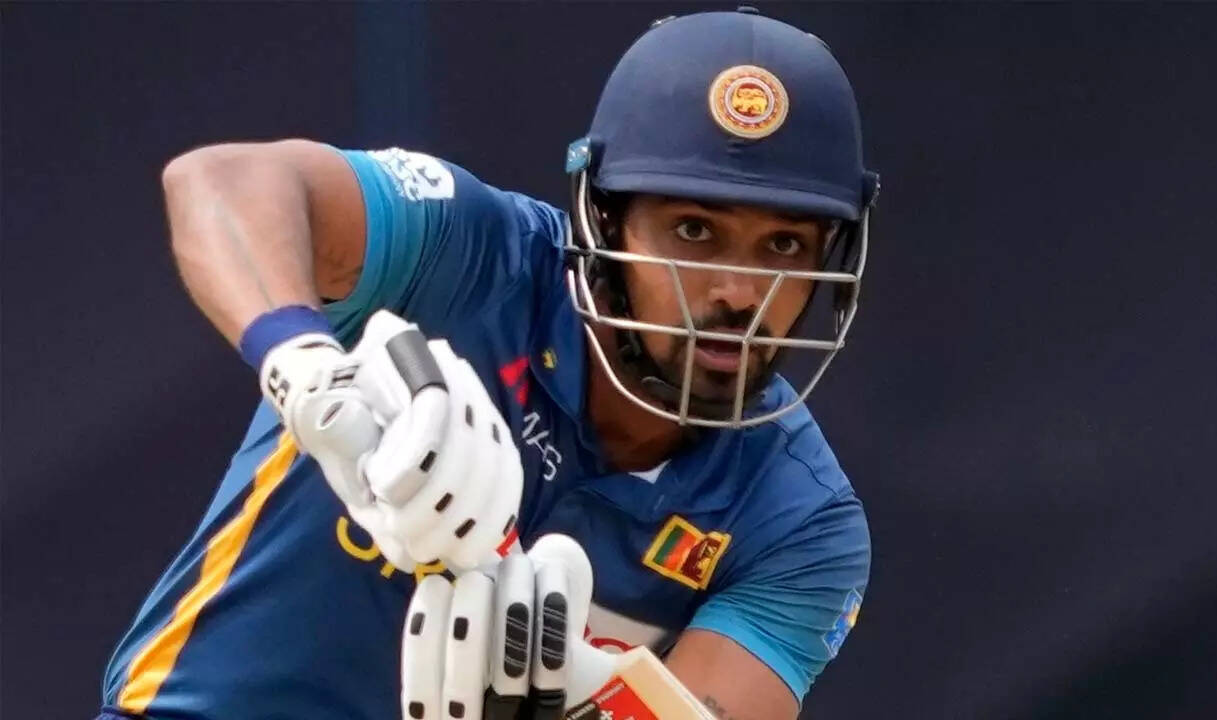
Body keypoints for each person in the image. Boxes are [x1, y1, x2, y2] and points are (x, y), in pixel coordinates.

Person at [98, 9, 878, 720]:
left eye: (785, 245)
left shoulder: (801, 520)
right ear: (603, 219)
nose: (739, 293)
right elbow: (222, 180)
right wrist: (308, 372)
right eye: (694, 231)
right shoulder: (470, 258)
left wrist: (583, 697)